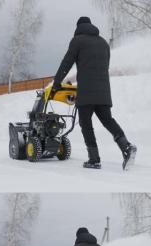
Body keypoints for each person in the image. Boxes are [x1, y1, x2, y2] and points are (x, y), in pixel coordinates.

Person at [52, 16, 137, 170]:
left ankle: (94, 158)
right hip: (103, 91)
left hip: (86, 93)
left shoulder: (77, 41)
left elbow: (67, 62)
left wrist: (57, 82)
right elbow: (105, 66)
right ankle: (126, 146)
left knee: (86, 124)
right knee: (108, 120)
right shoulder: (104, 43)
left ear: (78, 27)